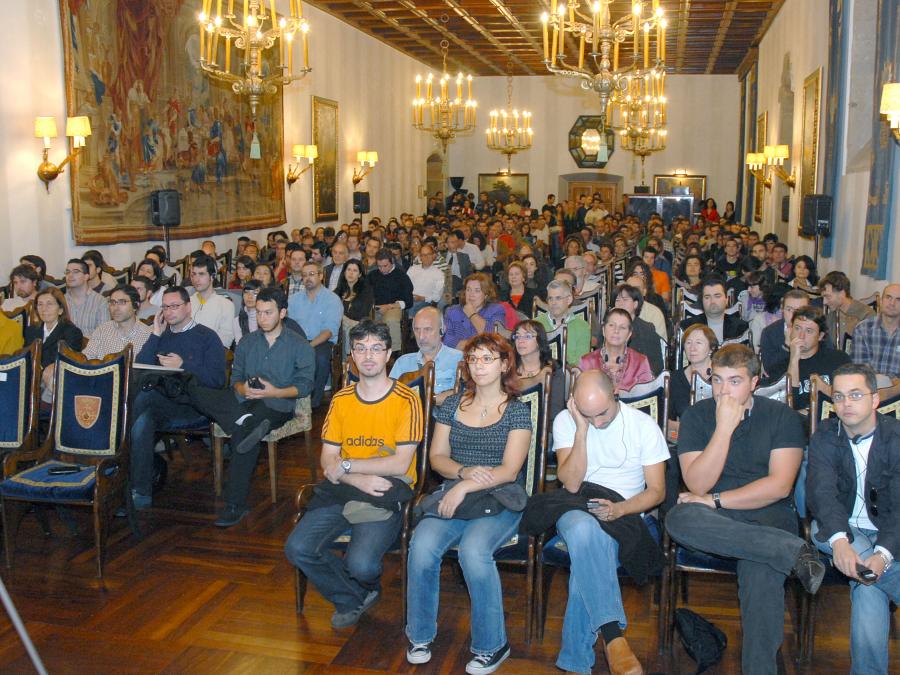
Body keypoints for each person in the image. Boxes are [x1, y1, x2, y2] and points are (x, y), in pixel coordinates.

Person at [664, 344, 824, 675]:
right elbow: (696, 484)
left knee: (760, 568)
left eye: (735, 381)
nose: (724, 390)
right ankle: (793, 552)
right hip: (718, 522)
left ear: (754, 382)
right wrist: (723, 429)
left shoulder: (782, 417)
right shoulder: (698, 415)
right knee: (678, 517)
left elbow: (779, 486)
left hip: (767, 513)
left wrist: (716, 500)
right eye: (718, 380)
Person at [405, 333, 531, 673]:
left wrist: (462, 487)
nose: (479, 366)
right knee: (422, 545)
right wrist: (461, 474)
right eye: (474, 359)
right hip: (457, 492)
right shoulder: (452, 405)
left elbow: (509, 470)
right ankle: (419, 635)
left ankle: (493, 645)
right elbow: (437, 457)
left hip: (500, 499)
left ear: (505, 364)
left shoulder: (517, 411)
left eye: (488, 359)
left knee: (474, 552)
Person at [286, 320, 423, 627]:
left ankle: (365, 585)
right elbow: (328, 458)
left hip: (385, 489)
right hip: (344, 486)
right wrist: (351, 474)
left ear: (389, 354)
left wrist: (347, 466)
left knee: (360, 565)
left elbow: (400, 464)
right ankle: (352, 597)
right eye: (360, 349)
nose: (368, 356)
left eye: (376, 348)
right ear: (351, 356)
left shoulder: (407, 400)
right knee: (297, 548)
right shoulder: (341, 399)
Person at [548, 370, 669, 674]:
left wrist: (620, 509)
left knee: (587, 556)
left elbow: (657, 491)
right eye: (588, 415)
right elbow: (571, 484)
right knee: (582, 527)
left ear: (616, 391)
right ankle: (613, 635)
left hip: (624, 513)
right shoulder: (567, 421)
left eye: (602, 414)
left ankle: (575, 662)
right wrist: (580, 430)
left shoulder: (643, 425)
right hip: (575, 506)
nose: (597, 422)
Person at [187, 288, 315, 527]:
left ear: (282, 313)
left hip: (275, 403)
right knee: (194, 390)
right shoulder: (246, 342)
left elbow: (305, 386)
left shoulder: (299, 345)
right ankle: (244, 420)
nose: (263, 318)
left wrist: (274, 391)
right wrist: (242, 388)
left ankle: (236, 504)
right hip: (244, 401)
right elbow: (235, 377)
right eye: (259, 313)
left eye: (268, 313)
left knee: (243, 437)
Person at [806, 363, 900, 675]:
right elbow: (823, 496)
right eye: (839, 396)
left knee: (869, 586)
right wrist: (841, 543)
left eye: (856, 395)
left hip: (889, 532)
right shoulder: (824, 437)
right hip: (840, 529)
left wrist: (883, 554)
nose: (846, 403)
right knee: (863, 569)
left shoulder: (896, 437)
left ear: (875, 399)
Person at [130, 287, 226, 508]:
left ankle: (115, 468)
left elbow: (217, 380)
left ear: (188, 307)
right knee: (141, 421)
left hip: (194, 406)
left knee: (142, 398)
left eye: (175, 306)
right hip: (159, 403)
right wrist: (155, 334)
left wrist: (183, 365)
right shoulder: (161, 336)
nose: (169, 311)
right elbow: (140, 366)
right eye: (165, 307)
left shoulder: (207, 336)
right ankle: (140, 491)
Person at [764, 306, 851, 411]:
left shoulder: (839, 360)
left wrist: (824, 388)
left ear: (820, 336)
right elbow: (789, 404)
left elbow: (851, 399)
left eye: (809, 331)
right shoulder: (778, 367)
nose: (801, 336)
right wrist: (794, 360)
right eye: (797, 328)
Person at [287, 261, 343, 408]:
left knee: (320, 357)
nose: (307, 278)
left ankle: (314, 399)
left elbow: (329, 330)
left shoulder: (332, 299)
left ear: (321, 276)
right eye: (304, 275)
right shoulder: (294, 299)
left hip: (322, 341)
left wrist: (308, 346)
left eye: (311, 274)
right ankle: (288, 396)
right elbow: (289, 325)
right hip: (298, 340)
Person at [390, 306, 462, 405]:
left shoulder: (458, 359)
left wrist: (429, 400)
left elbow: (467, 395)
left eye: (427, 329)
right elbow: (390, 399)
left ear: (442, 330)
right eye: (417, 330)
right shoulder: (402, 363)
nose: (421, 336)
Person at [23, 288, 84, 402]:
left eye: (49, 304)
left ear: (60, 309)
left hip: (53, 381)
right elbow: (25, 356)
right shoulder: (31, 331)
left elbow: (68, 362)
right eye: (40, 304)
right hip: (31, 377)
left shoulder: (71, 332)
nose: (44, 309)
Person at [579, 308, 653, 393]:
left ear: (629, 334)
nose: (616, 331)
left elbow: (647, 397)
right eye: (611, 325)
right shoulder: (587, 361)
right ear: (603, 330)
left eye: (622, 327)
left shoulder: (640, 362)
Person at [668, 324, 718, 441]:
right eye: (688, 343)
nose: (692, 348)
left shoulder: (721, 376)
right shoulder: (674, 378)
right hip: (685, 440)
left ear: (711, 348)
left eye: (699, 343)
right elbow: (668, 421)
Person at [511, 319, 565, 421]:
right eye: (517, 336)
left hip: (541, 428)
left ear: (540, 341)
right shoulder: (508, 369)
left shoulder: (553, 371)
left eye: (527, 336)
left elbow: (555, 412)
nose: (520, 340)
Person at [83, 285, 152, 360]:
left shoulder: (147, 335)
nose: (116, 308)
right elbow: (86, 359)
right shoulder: (102, 330)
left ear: (136, 305)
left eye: (122, 302)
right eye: (112, 302)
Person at [611, 284, 664, 376]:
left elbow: (656, 363)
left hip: (640, 380)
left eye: (625, 299)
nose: (620, 303)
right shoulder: (608, 327)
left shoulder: (647, 329)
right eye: (617, 300)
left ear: (635, 304)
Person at [443, 273, 506, 349]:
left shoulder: (496, 310)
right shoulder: (451, 311)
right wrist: (475, 345)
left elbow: (493, 336)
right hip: (457, 357)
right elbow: (447, 340)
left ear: (486, 295)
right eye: (468, 289)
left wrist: (472, 314)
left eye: (477, 290)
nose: (471, 294)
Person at [536, 279, 591, 366]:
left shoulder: (582, 326)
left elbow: (582, 363)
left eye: (558, 298)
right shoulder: (536, 324)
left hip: (570, 376)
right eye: (550, 298)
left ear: (569, 299)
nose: (553, 303)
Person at [680, 275, 749, 344]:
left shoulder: (741, 328)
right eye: (707, 297)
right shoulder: (687, 327)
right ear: (702, 301)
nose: (712, 301)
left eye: (717, 296)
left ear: (726, 300)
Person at [850, 283, 900, 378]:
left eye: (898, 300)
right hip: (869, 388)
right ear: (881, 301)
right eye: (888, 297)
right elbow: (861, 370)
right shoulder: (863, 329)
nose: (892, 303)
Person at [369, 250, 414, 351]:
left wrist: (389, 306)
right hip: (374, 307)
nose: (382, 269)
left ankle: (393, 352)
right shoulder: (372, 275)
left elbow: (409, 301)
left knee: (391, 321)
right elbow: (366, 294)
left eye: (385, 266)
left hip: (393, 307)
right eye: (379, 266)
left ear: (392, 262)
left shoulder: (401, 276)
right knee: (363, 321)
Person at [759, 289, 810, 376]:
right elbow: (770, 369)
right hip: (781, 384)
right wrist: (787, 347)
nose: (794, 315)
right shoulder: (769, 332)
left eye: (800, 310)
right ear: (782, 309)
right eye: (789, 309)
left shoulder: (816, 330)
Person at [189, 254, 235, 348]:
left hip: (211, 354)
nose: (196, 279)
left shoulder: (226, 305)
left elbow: (226, 340)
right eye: (194, 274)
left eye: (201, 274)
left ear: (212, 276)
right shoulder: (187, 302)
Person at [821, 271, 875, 346]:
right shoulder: (830, 318)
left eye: (828, 296)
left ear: (842, 293)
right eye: (823, 297)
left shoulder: (866, 315)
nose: (824, 302)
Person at [63, 258, 108, 337]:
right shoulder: (61, 301)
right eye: (67, 272)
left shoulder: (101, 302)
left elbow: (104, 335)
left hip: (92, 347)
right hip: (65, 347)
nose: (70, 275)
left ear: (86, 276)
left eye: (76, 272)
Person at [406, 243, 445, 316]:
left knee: (414, 306)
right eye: (423, 255)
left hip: (425, 302)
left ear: (433, 256)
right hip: (410, 298)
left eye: (428, 254)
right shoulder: (412, 269)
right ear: (420, 257)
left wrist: (422, 298)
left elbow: (437, 297)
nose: (426, 257)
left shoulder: (439, 274)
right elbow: (404, 285)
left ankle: (411, 324)